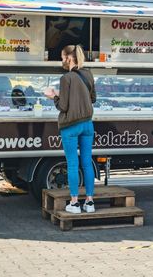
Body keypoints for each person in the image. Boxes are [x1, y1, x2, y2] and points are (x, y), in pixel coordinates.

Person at [44, 45, 97, 213]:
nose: (62, 61)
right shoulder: (88, 74)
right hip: (87, 124)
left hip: (71, 126)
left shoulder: (66, 78)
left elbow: (63, 106)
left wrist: (54, 96)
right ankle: (89, 202)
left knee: (73, 164)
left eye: (62, 57)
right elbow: (93, 99)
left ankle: (74, 203)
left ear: (69, 58)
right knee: (87, 162)